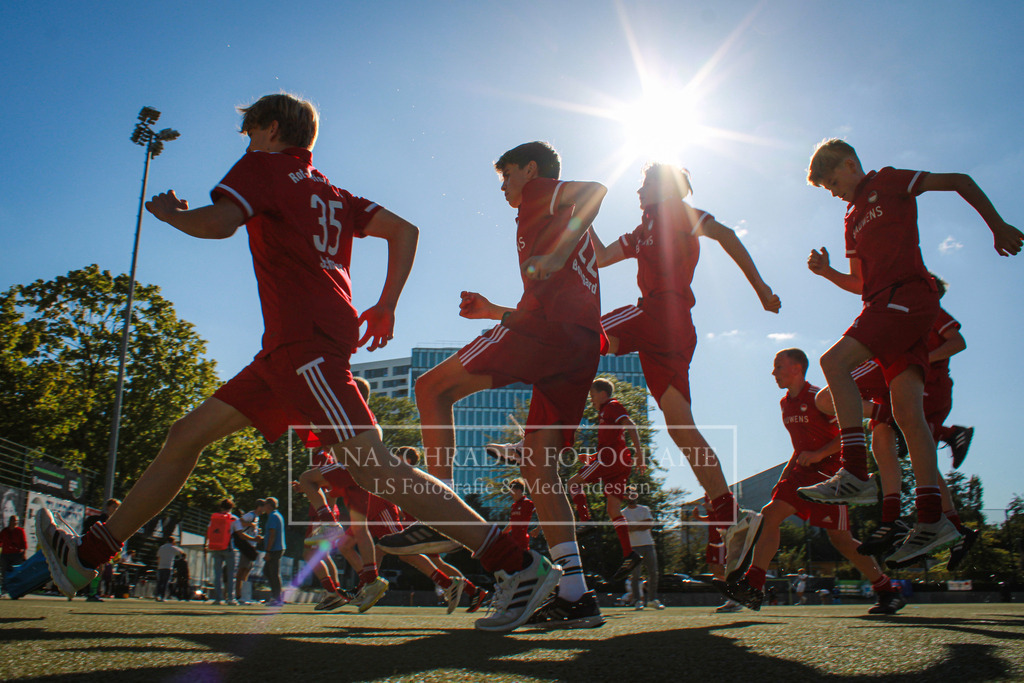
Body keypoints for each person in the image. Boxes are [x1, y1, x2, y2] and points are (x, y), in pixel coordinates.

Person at [35, 94, 560, 635]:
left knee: (375, 467)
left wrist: (172, 214)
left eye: (249, 132)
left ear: (267, 129)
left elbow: (218, 223)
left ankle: (517, 564)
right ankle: (87, 556)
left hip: (305, 346)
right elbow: (407, 231)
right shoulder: (329, 190)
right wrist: (386, 303)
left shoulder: (262, 166)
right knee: (185, 435)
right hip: (287, 349)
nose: (247, 142)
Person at [388, 141, 608, 630]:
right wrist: (493, 311)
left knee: (432, 389)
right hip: (578, 344)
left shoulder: (542, 193)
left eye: (506, 174)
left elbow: (596, 189)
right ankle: (576, 592)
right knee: (538, 466)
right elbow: (555, 297)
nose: (504, 185)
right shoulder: (551, 217)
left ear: (529, 169)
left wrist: (553, 256)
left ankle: (439, 507)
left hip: (550, 335)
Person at [799, 139, 1022, 568]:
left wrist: (997, 225)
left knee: (833, 364)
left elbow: (959, 180)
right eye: (826, 189)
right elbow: (859, 283)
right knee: (905, 413)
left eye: (833, 182)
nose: (834, 192)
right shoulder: (850, 219)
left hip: (907, 298)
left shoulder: (889, 181)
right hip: (880, 301)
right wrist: (828, 274)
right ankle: (932, 518)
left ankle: (856, 472)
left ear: (850, 164)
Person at [588, 162, 781, 580]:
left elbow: (726, 234)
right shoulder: (642, 230)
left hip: (662, 312)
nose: (638, 191)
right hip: (671, 332)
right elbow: (601, 257)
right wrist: (578, 217)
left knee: (585, 333)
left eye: (644, 184)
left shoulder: (675, 212)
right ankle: (731, 515)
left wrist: (761, 288)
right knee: (680, 427)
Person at [727, 348, 904, 615]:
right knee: (769, 514)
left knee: (842, 541)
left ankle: (886, 590)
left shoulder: (821, 398)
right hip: (800, 474)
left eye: (778, 366)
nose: (773, 372)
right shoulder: (785, 403)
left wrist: (820, 454)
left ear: (797, 368)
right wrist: (785, 476)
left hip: (830, 477)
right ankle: (754, 584)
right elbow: (799, 447)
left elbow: (849, 434)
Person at [567, 378, 646, 581]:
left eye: (592, 396)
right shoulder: (605, 413)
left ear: (602, 394)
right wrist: (592, 458)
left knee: (572, 484)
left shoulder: (611, 406)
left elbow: (630, 425)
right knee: (613, 510)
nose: (591, 400)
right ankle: (629, 554)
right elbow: (614, 440)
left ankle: (586, 521)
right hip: (617, 464)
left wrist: (640, 453)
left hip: (610, 460)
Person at [620, 486, 664, 610]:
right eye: (628, 494)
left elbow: (649, 524)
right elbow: (626, 529)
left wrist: (634, 526)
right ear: (625, 497)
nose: (631, 496)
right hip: (633, 547)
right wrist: (641, 524)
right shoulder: (623, 513)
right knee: (635, 575)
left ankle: (652, 599)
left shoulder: (645, 509)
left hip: (648, 544)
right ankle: (637, 601)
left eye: (633, 493)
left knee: (653, 572)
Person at [82, 499, 121, 602]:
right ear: (108, 507)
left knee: (100, 570)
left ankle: (93, 593)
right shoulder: (101, 519)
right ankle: (90, 592)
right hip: (95, 548)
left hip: (103, 550)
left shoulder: (115, 521)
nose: (116, 509)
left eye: (117, 507)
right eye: (114, 507)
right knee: (94, 570)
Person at [232, 499, 267, 604]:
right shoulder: (251, 515)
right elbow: (240, 522)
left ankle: (243, 593)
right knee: (242, 569)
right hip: (247, 546)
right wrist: (251, 525)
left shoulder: (256, 517)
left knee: (247, 569)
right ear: (259, 507)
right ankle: (239, 594)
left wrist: (256, 531)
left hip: (251, 546)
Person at [206, 498, 237, 605]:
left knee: (217, 574)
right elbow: (239, 531)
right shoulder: (232, 518)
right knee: (230, 575)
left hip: (216, 547)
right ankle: (230, 598)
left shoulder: (214, 518)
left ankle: (218, 598)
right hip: (228, 548)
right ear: (231, 507)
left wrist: (208, 544)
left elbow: (209, 530)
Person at [262, 497, 286, 606]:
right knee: (268, 571)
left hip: (274, 549)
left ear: (268, 505)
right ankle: (275, 596)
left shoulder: (272, 516)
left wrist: (268, 551)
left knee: (273, 573)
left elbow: (272, 534)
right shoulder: (277, 515)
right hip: (277, 547)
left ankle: (277, 598)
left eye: (265, 504)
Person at [505, 478, 536, 552]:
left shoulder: (528, 503)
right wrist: (499, 536)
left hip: (522, 543)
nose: (510, 494)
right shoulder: (514, 505)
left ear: (519, 491)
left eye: (512, 492)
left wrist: (538, 529)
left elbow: (543, 514)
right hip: (513, 542)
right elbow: (511, 525)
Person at [154, 536, 184, 602]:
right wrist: (175, 545)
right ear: (173, 541)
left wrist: (158, 565)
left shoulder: (162, 547)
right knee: (165, 582)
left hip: (160, 567)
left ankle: (157, 595)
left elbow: (158, 557)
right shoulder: (173, 548)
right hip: (168, 567)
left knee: (159, 582)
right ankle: (162, 597)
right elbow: (181, 552)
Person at [0, 515, 27, 581]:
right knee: (4, 571)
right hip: (5, 554)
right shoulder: (5, 531)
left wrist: (23, 554)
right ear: (10, 521)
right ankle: (5, 585)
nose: (15, 522)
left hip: (16, 554)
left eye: (16, 521)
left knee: (15, 571)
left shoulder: (20, 531)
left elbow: (24, 543)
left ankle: (14, 585)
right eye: (14, 521)